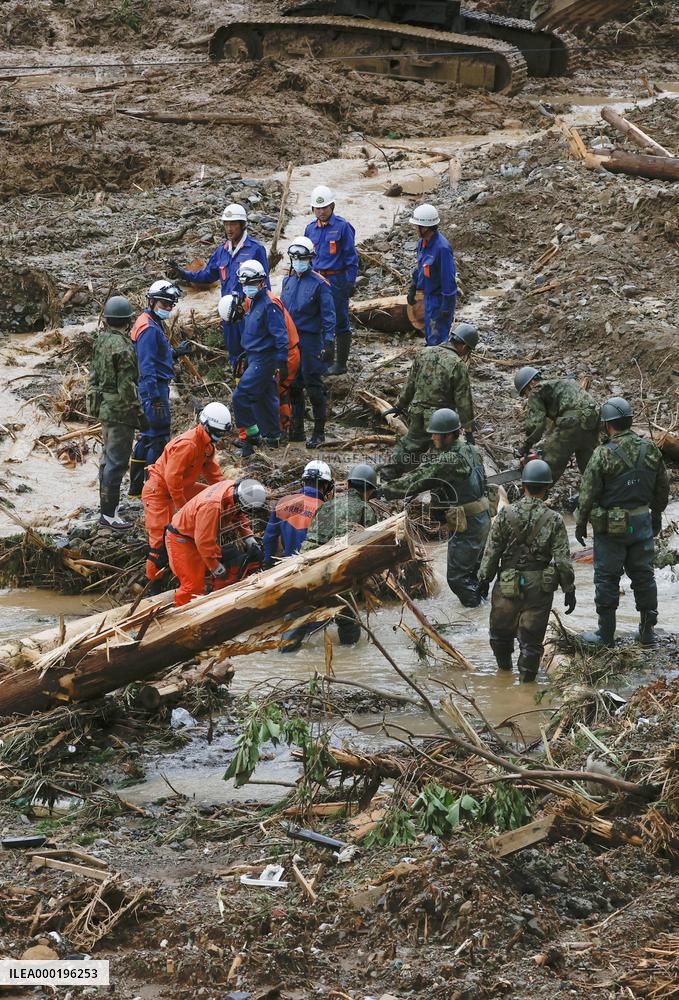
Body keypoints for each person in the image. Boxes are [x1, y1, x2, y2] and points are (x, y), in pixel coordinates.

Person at [575, 397, 669, 647]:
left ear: (607, 425)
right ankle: (647, 633)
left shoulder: (602, 454)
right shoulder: (650, 449)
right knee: (644, 577)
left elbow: (588, 493)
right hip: (642, 523)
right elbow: (662, 487)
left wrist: (581, 522)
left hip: (611, 528)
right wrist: (657, 515)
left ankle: (605, 635)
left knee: (606, 578)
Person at [477, 460, 576, 682]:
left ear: (523, 486)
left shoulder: (505, 514)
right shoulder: (555, 520)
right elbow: (562, 560)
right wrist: (569, 589)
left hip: (507, 583)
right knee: (531, 641)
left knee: (500, 634)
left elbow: (491, 551)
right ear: (547, 487)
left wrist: (484, 579)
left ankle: (503, 674)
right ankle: (526, 684)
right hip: (539, 586)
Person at [381, 408, 490, 607]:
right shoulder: (471, 450)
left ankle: (476, 613)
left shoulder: (449, 460)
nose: (432, 437)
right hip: (482, 518)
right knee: (473, 572)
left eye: (436, 433)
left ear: (449, 435)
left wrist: (382, 491)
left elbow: (417, 481)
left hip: (468, 523)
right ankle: (482, 604)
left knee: (458, 579)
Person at [167, 203, 269, 366]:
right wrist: (184, 273)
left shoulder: (255, 249)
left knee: (252, 352)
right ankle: (238, 382)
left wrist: (263, 313)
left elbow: (266, 285)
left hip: (248, 313)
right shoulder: (222, 251)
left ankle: (253, 386)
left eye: (233, 224)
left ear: (242, 225)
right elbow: (208, 275)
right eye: (226, 224)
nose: (229, 229)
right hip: (228, 314)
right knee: (234, 353)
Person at [141, 402, 230, 589]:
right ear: (205, 424)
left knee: (211, 496)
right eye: (216, 432)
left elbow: (213, 475)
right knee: (158, 544)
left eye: (221, 434)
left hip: (181, 487)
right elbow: (172, 479)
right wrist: (183, 508)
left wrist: (226, 491)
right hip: (159, 491)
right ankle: (153, 586)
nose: (218, 437)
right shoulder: (188, 445)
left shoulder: (207, 445)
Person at [380, 323, 478, 481]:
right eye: (468, 351)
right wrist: (468, 430)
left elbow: (410, 384)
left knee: (408, 446)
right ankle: (437, 491)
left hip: (417, 412)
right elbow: (463, 401)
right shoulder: (457, 365)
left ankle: (387, 475)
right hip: (441, 420)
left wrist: (399, 406)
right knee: (443, 455)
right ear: (464, 347)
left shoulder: (424, 353)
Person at [300, 463, 379, 645]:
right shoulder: (365, 510)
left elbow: (311, 539)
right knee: (349, 622)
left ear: (349, 485)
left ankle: (286, 653)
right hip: (333, 572)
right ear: (370, 491)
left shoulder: (327, 506)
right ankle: (349, 661)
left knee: (299, 615)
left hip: (303, 568)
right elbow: (367, 550)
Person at [87, 295, 146, 531]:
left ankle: (106, 509)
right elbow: (126, 386)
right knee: (117, 463)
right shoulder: (123, 346)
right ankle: (109, 515)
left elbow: (94, 376)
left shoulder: (101, 340)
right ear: (128, 320)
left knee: (106, 461)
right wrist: (140, 413)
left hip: (104, 407)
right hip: (120, 411)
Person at [128, 280, 190, 498]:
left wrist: (174, 353)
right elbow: (146, 365)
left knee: (146, 437)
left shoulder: (150, 322)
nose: (167, 309)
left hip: (150, 386)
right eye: (164, 304)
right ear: (152, 301)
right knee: (158, 437)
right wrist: (154, 397)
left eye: (170, 305)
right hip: (152, 388)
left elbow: (156, 356)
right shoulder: (148, 329)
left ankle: (136, 490)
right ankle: (151, 489)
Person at [166, 478, 265, 607]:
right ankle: (182, 619)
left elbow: (238, 514)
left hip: (198, 535)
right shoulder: (212, 507)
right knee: (192, 586)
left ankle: (212, 601)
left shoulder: (233, 490)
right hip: (182, 539)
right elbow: (204, 542)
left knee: (225, 560)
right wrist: (216, 568)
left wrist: (248, 537)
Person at [281, 236, 336, 448]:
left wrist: (329, 342)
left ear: (310, 259)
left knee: (314, 386)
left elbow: (329, 316)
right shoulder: (288, 281)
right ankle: (297, 430)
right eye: (294, 258)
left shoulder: (320, 284)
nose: (297, 262)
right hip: (291, 341)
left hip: (311, 341)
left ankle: (319, 432)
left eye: (301, 258)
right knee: (293, 385)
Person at [231, 260, 290, 457]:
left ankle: (251, 437)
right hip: (254, 356)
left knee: (240, 397)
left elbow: (281, 336)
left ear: (262, 282)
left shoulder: (270, 304)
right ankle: (273, 437)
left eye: (252, 283)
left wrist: (282, 361)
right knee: (265, 399)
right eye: (245, 284)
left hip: (264, 359)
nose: (248, 288)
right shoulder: (254, 302)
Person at [304, 185, 358, 376]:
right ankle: (324, 361)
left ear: (332, 206)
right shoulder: (310, 229)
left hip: (336, 281)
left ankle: (340, 363)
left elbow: (351, 257)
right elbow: (305, 257)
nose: (321, 212)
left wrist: (351, 282)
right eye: (317, 209)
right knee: (318, 319)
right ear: (312, 209)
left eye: (325, 208)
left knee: (339, 320)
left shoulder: (343, 227)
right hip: (316, 279)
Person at [514, 367, 600, 484]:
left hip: (573, 421)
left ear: (531, 383)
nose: (526, 397)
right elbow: (555, 425)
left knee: (551, 463)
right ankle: (601, 493)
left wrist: (526, 446)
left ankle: (535, 496)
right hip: (593, 418)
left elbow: (536, 423)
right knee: (588, 462)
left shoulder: (536, 390)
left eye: (525, 393)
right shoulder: (557, 384)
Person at [263, 459, 334, 566]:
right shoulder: (327, 510)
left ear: (303, 482)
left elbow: (269, 538)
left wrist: (268, 564)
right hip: (313, 567)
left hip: (286, 566)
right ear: (326, 486)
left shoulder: (282, 502)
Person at [406, 203, 457, 347]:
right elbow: (419, 268)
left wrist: (446, 308)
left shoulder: (442, 248)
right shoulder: (423, 243)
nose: (415, 228)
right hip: (428, 298)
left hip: (440, 299)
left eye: (417, 226)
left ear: (426, 227)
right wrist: (413, 286)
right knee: (430, 335)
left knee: (438, 339)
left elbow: (449, 281)